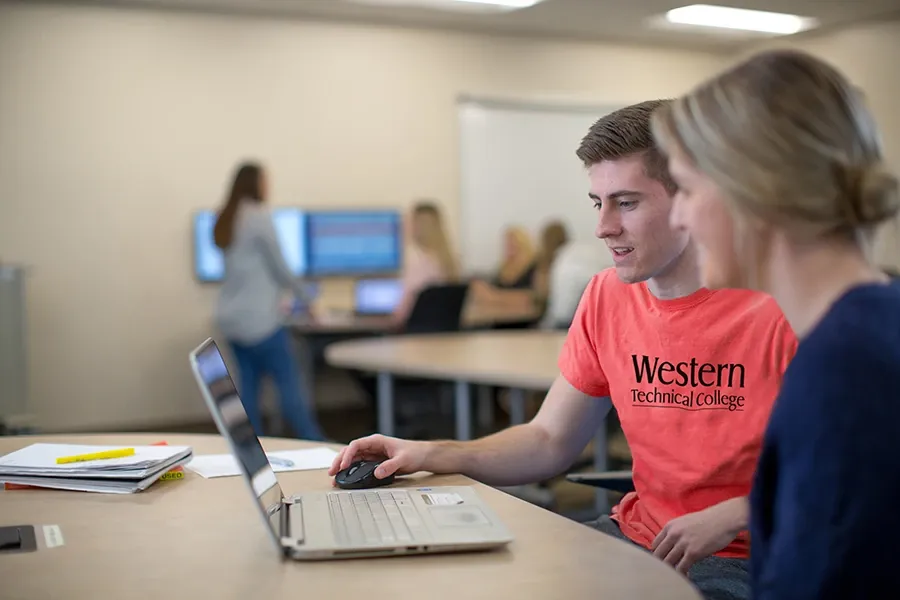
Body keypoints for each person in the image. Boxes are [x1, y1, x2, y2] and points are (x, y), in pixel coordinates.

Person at [329, 100, 798, 600]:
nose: (604, 226)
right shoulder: (607, 295)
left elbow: (853, 469)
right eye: (598, 203)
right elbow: (549, 439)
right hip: (637, 537)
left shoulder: (783, 308)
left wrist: (735, 513)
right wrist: (429, 453)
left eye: (627, 203)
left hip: (746, 557)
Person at [651, 49, 900, 599]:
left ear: (754, 190)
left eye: (687, 189)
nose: (679, 216)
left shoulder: (843, 369)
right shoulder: (873, 325)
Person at [213, 161, 325, 441]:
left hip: (232, 321)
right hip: (261, 321)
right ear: (257, 184)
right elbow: (281, 269)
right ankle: (318, 445)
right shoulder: (258, 217)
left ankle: (253, 450)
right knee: (290, 389)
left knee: (248, 390)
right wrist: (308, 299)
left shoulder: (225, 217)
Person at [390, 201, 459, 327]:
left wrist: (390, 319)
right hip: (443, 332)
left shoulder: (417, 260)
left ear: (416, 226)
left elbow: (404, 310)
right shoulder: (448, 261)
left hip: (414, 333)